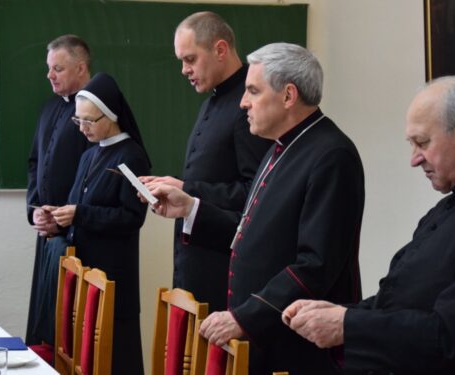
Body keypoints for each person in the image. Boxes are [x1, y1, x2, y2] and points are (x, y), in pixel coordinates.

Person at [283, 76, 455, 375]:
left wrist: (347, 325)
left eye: (422, 142)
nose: (414, 160)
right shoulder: (453, 203)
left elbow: (454, 340)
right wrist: (338, 313)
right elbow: (404, 301)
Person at [145, 43, 365, 375]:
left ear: (288, 96)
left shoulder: (331, 156)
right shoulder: (280, 146)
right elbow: (251, 232)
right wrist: (191, 209)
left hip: (295, 349)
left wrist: (245, 317)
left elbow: (314, 266)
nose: (243, 102)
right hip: (264, 337)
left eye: (252, 91)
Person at [139, 11, 271, 313]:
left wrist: (188, 189)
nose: (184, 70)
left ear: (220, 50)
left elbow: (255, 192)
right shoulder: (213, 99)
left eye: (190, 59)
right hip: (194, 259)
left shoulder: (246, 106)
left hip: (221, 269)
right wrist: (176, 186)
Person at [44, 72, 150, 375]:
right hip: (84, 274)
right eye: (79, 121)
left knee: (115, 359)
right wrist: (57, 220)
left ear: (112, 115)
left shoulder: (131, 156)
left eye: (90, 121)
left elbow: (132, 218)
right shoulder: (90, 154)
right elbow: (80, 207)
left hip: (113, 275)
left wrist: (79, 214)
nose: (83, 129)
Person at [25, 34, 92, 346]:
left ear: (80, 68)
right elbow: (34, 163)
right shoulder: (49, 109)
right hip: (47, 232)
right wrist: (35, 210)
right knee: (43, 322)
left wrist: (62, 217)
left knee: (68, 333)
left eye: (58, 69)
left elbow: (93, 173)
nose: (50, 75)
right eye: (49, 69)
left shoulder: (96, 114)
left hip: (77, 235)